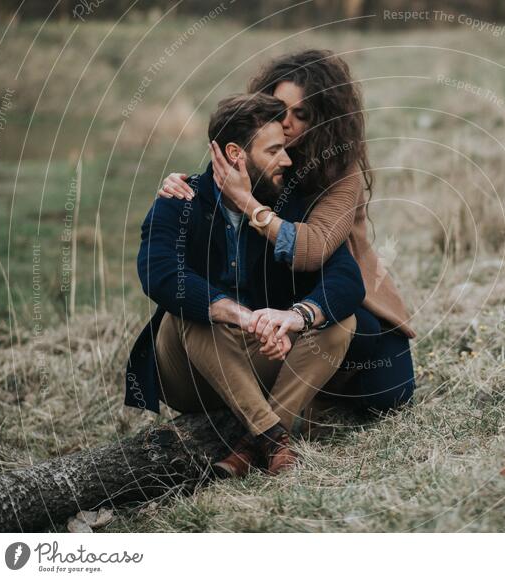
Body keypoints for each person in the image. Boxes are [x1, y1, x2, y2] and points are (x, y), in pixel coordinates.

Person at [158, 49, 416, 420]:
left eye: (302, 114)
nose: (289, 122)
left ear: (324, 118)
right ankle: (274, 415)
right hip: (280, 290)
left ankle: (312, 395)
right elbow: (218, 180)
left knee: (389, 392)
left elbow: (312, 250)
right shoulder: (256, 152)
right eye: (281, 109)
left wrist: (249, 204)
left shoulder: (341, 174)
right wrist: (180, 185)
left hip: (344, 284)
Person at [125, 92, 365, 478]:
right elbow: (158, 272)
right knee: (191, 309)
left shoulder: (283, 206)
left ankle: (256, 441)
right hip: (190, 372)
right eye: (274, 150)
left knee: (340, 323)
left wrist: (295, 316)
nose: (287, 160)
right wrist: (241, 315)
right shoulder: (180, 200)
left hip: (262, 357)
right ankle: (272, 438)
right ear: (236, 154)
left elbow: (346, 278)